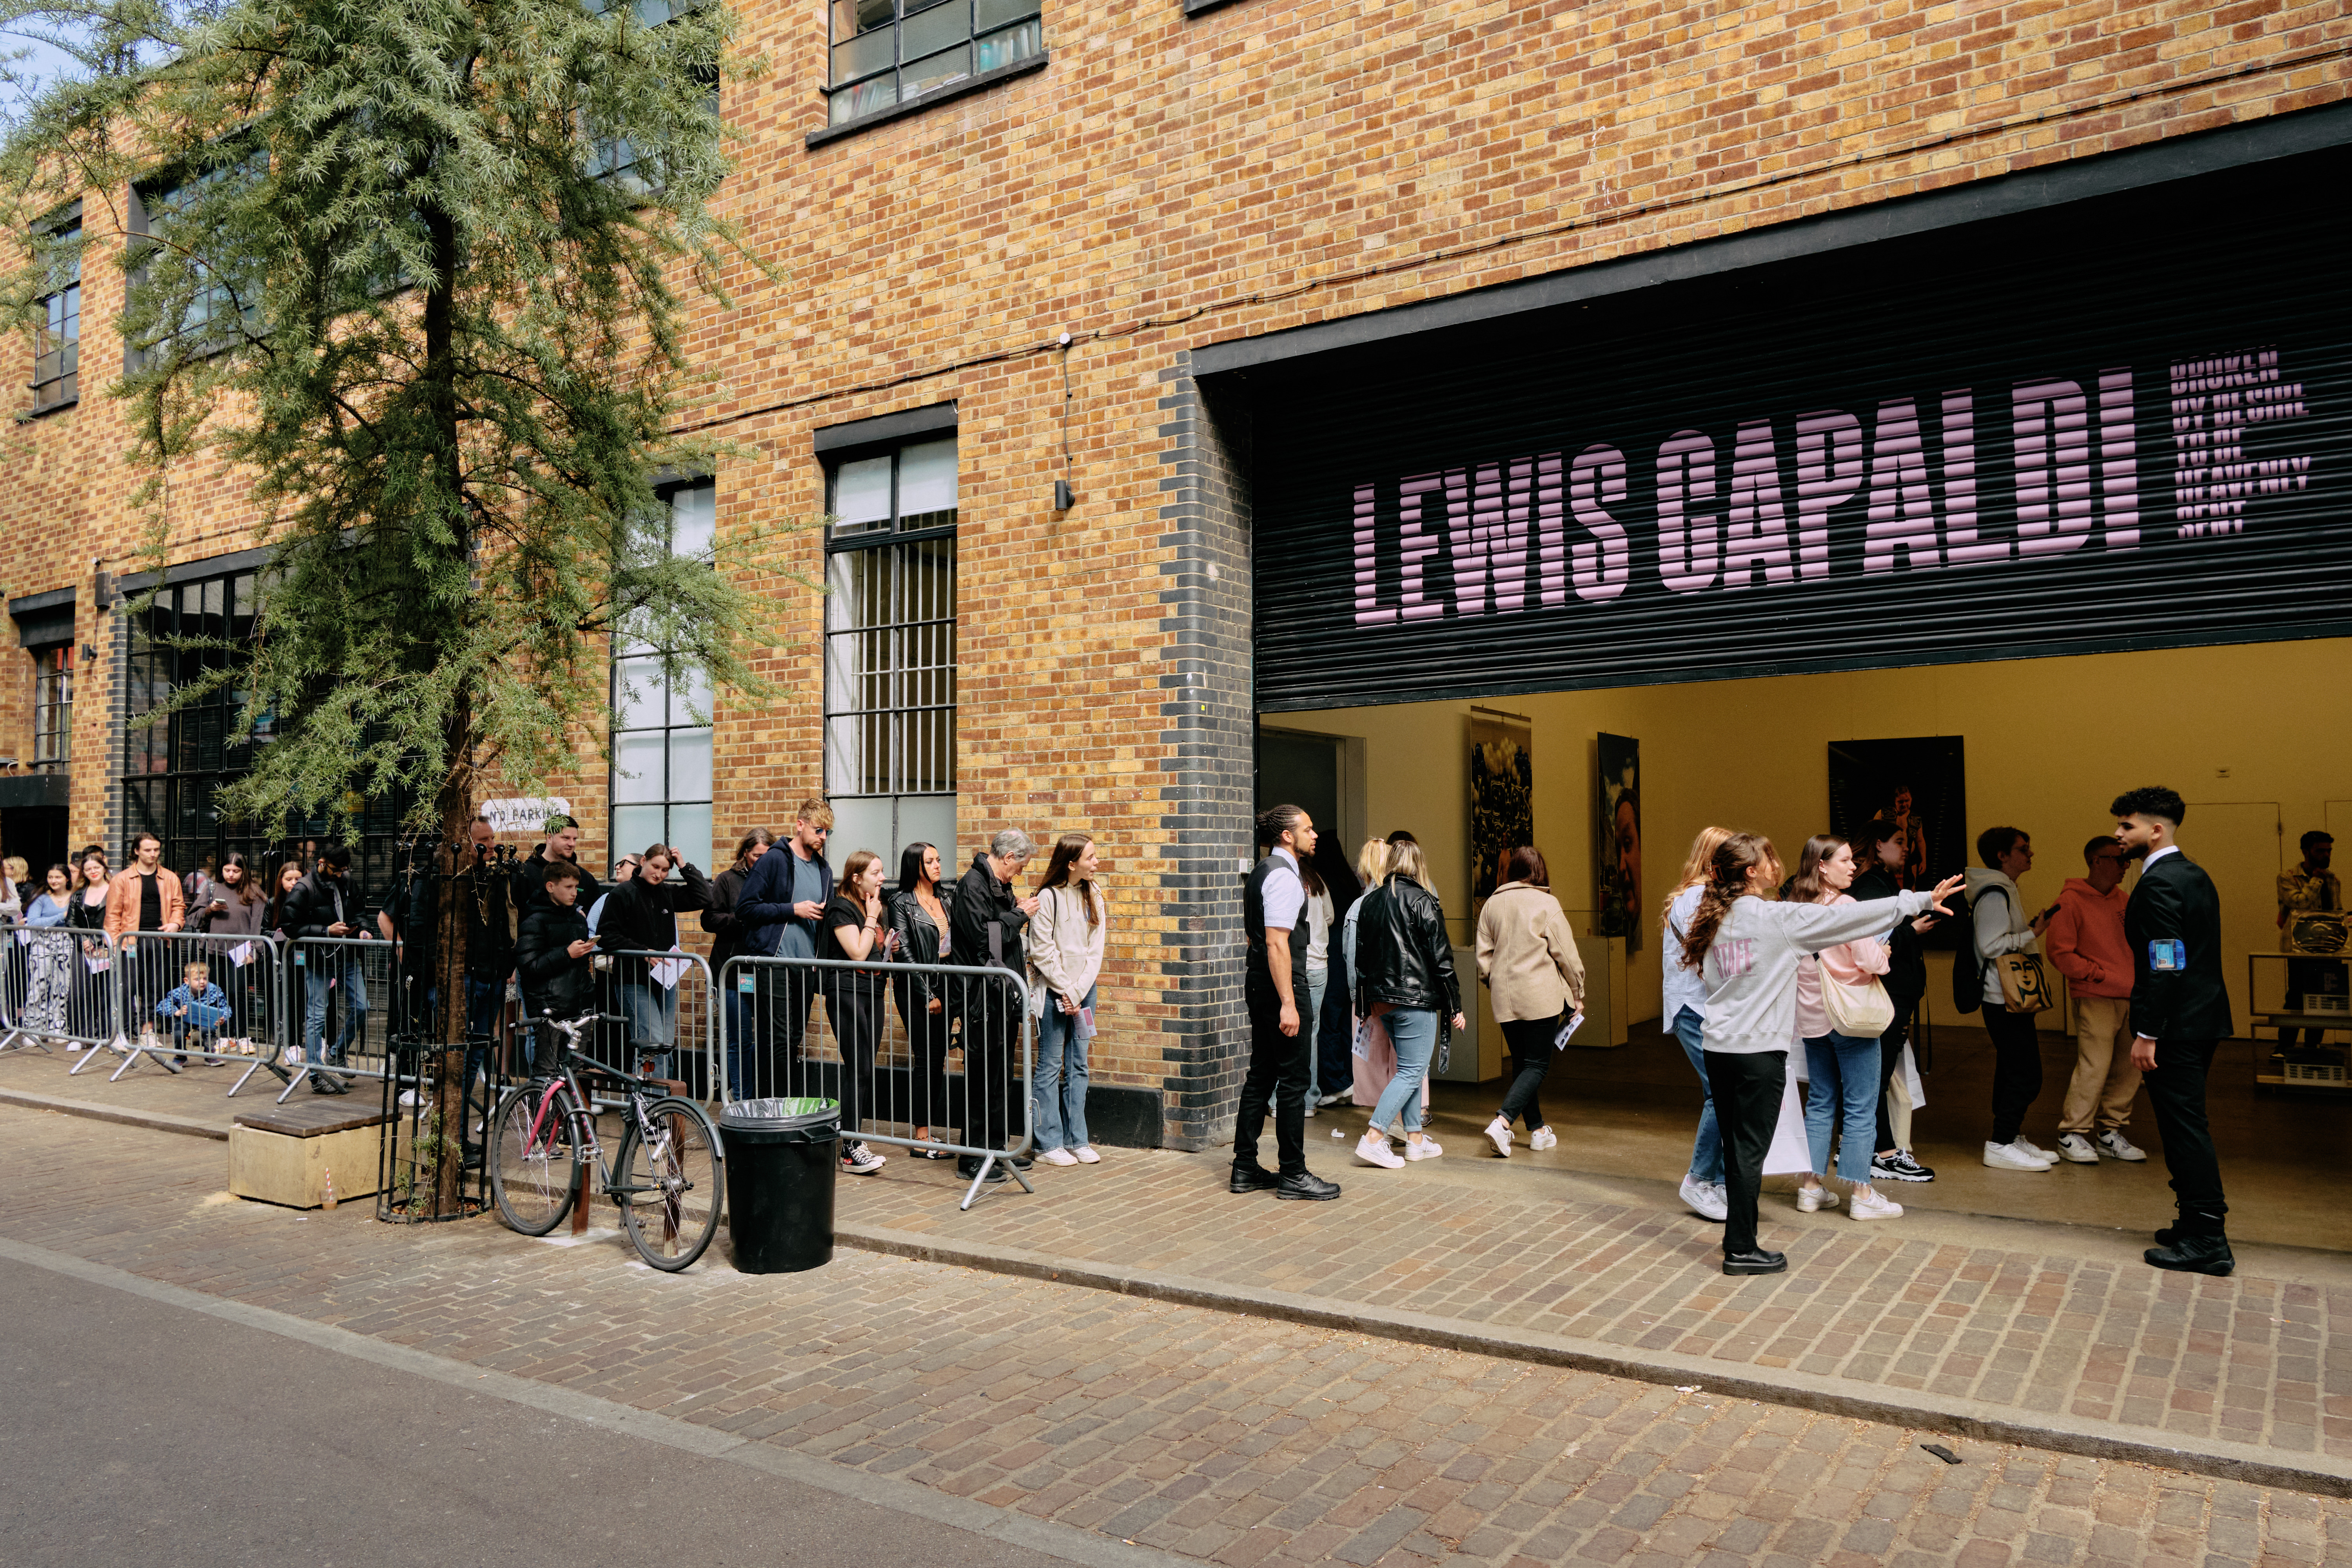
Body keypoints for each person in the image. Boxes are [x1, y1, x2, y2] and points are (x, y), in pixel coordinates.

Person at [1679, 832, 1955, 1276]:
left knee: (1737, 1150)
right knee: (1751, 1152)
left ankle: (1739, 1241)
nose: (1777, 863)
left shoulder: (1716, 919)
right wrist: (1916, 900)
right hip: (1757, 1054)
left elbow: (1722, 983)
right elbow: (1852, 920)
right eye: (1769, 856)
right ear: (1752, 872)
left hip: (1720, 1047)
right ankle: (1741, 1249)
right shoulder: (1777, 920)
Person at [2116, 787, 2237, 1276]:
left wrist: (2149, 1032)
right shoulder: (2194, 874)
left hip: (2176, 1027)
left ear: (2156, 829)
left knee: (2185, 1129)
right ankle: (2192, 1222)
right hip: (2201, 1019)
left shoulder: (2161, 882)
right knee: (2183, 1124)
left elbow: (2167, 960)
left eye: (2127, 826)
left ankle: (2208, 1237)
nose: (2118, 835)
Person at [1788, 834, 1904, 1222]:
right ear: (1822, 865)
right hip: (1852, 1018)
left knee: (1820, 1102)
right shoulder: (1846, 906)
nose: (1854, 866)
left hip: (1812, 1018)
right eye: (1845, 860)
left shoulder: (1794, 909)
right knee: (1860, 1106)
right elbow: (1871, 961)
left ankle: (1809, 1188)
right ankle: (1862, 1192)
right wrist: (1884, 953)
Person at [1231, 806, 1342, 1200]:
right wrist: (1289, 1003)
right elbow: (1278, 943)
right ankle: (1293, 1173)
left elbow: (1256, 939)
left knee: (1261, 1073)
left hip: (1260, 980)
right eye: (1308, 829)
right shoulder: (1284, 877)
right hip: (1280, 983)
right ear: (1287, 837)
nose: (1315, 835)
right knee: (1293, 1081)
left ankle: (1244, 1167)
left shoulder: (1264, 871)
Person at [1350, 836, 1463, 1172]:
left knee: (1407, 1071)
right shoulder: (1424, 901)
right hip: (1416, 1000)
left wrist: (1364, 1004)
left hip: (1380, 1001)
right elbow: (1442, 959)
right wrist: (1455, 1005)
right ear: (1419, 866)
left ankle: (1415, 1141)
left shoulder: (1369, 903)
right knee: (1414, 1070)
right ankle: (1373, 1138)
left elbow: (1361, 960)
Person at [2045, 836, 2147, 1165]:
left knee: (2130, 1067)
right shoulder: (2070, 901)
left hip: (2133, 996)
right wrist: (2096, 975)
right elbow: (2060, 953)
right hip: (2095, 997)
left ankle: (2109, 1132)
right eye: (2119, 860)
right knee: (2095, 1066)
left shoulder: (2126, 901)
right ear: (2096, 861)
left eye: (2127, 861)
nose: (2125, 866)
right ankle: (2072, 1133)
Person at [1475, 845, 1583, 1158]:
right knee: (1537, 1065)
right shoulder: (1547, 903)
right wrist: (1578, 992)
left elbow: (1484, 960)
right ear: (1539, 873)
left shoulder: (1491, 905)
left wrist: (1492, 984)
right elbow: (1567, 954)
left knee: (1523, 1064)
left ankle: (1537, 1131)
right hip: (1541, 996)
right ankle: (1502, 1122)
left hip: (1504, 1000)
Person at [1847, 816, 1938, 1185]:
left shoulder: (1882, 883)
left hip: (1895, 992)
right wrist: (1910, 931)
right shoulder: (1871, 885)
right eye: (1898, 841)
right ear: (1877, 846)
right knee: (1876, 1076)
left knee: (1877, 1074)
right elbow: (1871, 942)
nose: (1906, 847)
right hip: (1887, 992)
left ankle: (1871, 1147)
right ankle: (1881, 1152)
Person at [1965, 826, 2057, 1172]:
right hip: (2001, 996)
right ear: (2002, 856)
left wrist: (2026, 932)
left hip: (2008, 996)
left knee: (2012, 1069)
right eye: (2023, 849)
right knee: (2026, 1074)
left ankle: (2010, 1135)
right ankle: (2001, 1143)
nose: (2030, 854)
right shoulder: (1993, 894)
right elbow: (1989, 945)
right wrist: (2031, 935)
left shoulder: (2005, 890)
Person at [951, 828, 1040, 1184]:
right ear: (1008, 858)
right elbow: (983, 940)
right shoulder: (973, 885)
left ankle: (997, 1149)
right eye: (1020, 867)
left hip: (999, 995)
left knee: (1000, 1076)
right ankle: (973, 1156)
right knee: (982, 1077)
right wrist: (1019, 914)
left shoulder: (995, 885)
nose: (1020, 874)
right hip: (980, 998)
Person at [734, 800, 836, 1102]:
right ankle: (772, 1109)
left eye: (828, 832)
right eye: (819, 830)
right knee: (776, 1041)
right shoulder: (775, 860)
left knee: (792, 1040)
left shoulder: (824, 869)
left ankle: (785, 1108)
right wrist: (793, 909)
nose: (823, 838)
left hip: (805, 967)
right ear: (800, 825)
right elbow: (746, 908)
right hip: (774, 962)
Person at [1661, 828, 1735, 1221]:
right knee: (1721, 1092)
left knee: (1726, 1092)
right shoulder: (1695, 898)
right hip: (1694, 1007)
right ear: (1712, 862)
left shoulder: (1705, 896)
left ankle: (1720, 1182)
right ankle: (1699, 1179)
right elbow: (1714, 954)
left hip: (1703, 1006)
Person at [596, 842, 710, 1083]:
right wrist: (643, 951)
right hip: (633, 979)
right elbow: (606, 935)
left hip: (664, 980)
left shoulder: (667, 893)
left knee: (665, 1045)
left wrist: (684, 866)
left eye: (665, 869)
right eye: (655, 867)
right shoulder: (623, 893)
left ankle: (649, 1110)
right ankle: (651, 1110)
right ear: (643, 862)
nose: (659, 874)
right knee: (652, 1041)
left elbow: (704, 896)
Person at [1028, 833, 1108, 1167]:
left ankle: (1077, 1139)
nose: (1096, 863)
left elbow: (1096, 949)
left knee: (1079, 1065)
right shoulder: (1047, 897)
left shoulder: (1095, 893)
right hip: (1052, 992)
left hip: (1083, 991)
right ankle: (1047, 1143)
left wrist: (1078, 992)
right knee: (1050, 1066)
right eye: (1091, 858)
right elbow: (1041, 951)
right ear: (1071, 862)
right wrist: (1066, 989)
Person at [818, 848, 895, 1175]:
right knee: (858, 1067)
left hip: (872, 992)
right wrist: (873, 917)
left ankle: (853, 1140)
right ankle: (850, 1147)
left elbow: (875, 952)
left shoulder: (871, 906)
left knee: (865, 1068)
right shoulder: (842, 908)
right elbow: (858, 953)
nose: (883, 878)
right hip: (846, 991)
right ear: (856, 877)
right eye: (876, 873)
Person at [283, 843, 371, 1095]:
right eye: (336, 869)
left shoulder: (347, 880)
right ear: (322, 863)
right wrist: (326, 931)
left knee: (362, 1007)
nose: (341, 874)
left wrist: (364, 929)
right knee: (317, 1017)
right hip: (320, 960)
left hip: (348, 956)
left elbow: (360, 910)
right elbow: (288, 924)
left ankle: (337, 1054)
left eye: (345, 869)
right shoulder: (305, 887)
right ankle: (316, 1074)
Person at [887, 841, 956, 1157]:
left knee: (938, 1058)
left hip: (945, 989)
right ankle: (921, 1137)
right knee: (926, 1057)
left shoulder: (947, 899)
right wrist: (927, 994)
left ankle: (928, 1133)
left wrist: (947, 991)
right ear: (916, 866)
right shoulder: (901, 903)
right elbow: (908, 956)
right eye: (931, 861)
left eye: (939, 860)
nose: (938, 866)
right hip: (916, 990)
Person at [703, 827, 775, 1097]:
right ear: (745, 853)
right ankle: (742, 1098)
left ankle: (761, 1098)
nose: (762, 862)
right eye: (757, 856)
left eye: (767, 856)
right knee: (741, 1038)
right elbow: (708, 920)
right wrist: (742, 918)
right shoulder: (727, 880)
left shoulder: (776, 881)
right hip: (733, 971)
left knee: (769, 1039)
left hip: (765, 969)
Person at [105, 831, 185, 1050]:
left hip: (159, 939)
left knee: (155, 989)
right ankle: (120, 1034)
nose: (153, 854)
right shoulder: (121, 879)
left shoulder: (170, 878)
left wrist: (176, 925)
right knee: (126, 988)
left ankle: (146, 1032)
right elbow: (112, 916)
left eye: (157, 850)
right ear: (136, 851)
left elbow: (179, 907)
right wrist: (115, 943)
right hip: (129, 941)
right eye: (148, 850)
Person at [514, 860, 599, 1066]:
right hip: (550, 1010)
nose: (575, 893)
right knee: (547, 1071)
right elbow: (529, 966)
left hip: (578, 1006)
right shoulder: (535, 920)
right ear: (551, 887)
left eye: (576, 888)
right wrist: (567, 954)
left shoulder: (579, 919)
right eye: (568, 887)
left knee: (574, 1069)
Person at [191, 851, 267, 1057]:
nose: (231, 875)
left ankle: (242, 1037)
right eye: (227, 870)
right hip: (214, 949)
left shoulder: (254, 892)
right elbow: (193, 918)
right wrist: (210, 910)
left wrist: (255, 951)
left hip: (240, 952)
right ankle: (224, 1037)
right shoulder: (212, 888)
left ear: (244, 872)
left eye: (236, 871)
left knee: (238, 993)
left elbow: (257, 925)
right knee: (218, 995)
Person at [2276, 831, 2341, 1052]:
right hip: (2300, 948)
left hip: (2329, 948)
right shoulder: (2288, 878)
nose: (2326, 855)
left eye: (2329, 851)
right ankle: (2284, 1047)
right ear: (2306, 852)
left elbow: (2335, 910)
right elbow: (2300, 904)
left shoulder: (2332, 879)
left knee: (2324, 1000)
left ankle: (2313, 1045)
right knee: (2296, 998)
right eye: (2320, 851)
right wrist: (2316, 880)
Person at [65, 849, 113, 1044]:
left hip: (107, 948)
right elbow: (70, 922)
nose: (93, 871)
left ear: (104, 868)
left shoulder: (115, 891)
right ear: (83, 873)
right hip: (82, 950)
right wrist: (83, 939)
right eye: (88, 869)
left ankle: (107, 1034)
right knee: (79, 992)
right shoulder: (78, 895)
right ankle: (80, 1036)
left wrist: (101, 943)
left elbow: (118, 918)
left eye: (96, 867)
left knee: (107, 992)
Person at [23, 864, 73, 1042]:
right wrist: (62, 916)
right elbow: (33, 922)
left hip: (67, 944)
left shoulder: (75, 897)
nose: (54, 881)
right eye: (51, 877)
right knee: (39, 986)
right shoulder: (42, 899)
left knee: (62, 987)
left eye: (58, 877)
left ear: (67, 878)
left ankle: (57, 1028)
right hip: (41, 945)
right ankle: (33, 1029)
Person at [514, 815, 598, 919]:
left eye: (575, 839)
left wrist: (583, 916)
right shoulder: (525, 873)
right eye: (566, 838)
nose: (572, 844)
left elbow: (598, 911)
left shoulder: (584, 877)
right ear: (549, 838)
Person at [156, 959, 232, 1063]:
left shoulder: (215, 991)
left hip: (205, 1020)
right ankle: (181, 1055)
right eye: (198, 979)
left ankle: (210, 1054)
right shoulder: (180, 992)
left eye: (205, 979)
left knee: (208, 1030)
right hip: (186, 1019)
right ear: (187, 981)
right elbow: (162, 1006)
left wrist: (223, 1018)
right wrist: (176, 1011)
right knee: (179, 1031)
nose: (202, 982)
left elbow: (226, 1008)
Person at [585, 854, 639, 936]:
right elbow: (591, 931)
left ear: (639, 867)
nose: (617, 867)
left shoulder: (650, 898)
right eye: (618, 864)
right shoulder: (605, 899)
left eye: (623, 863)